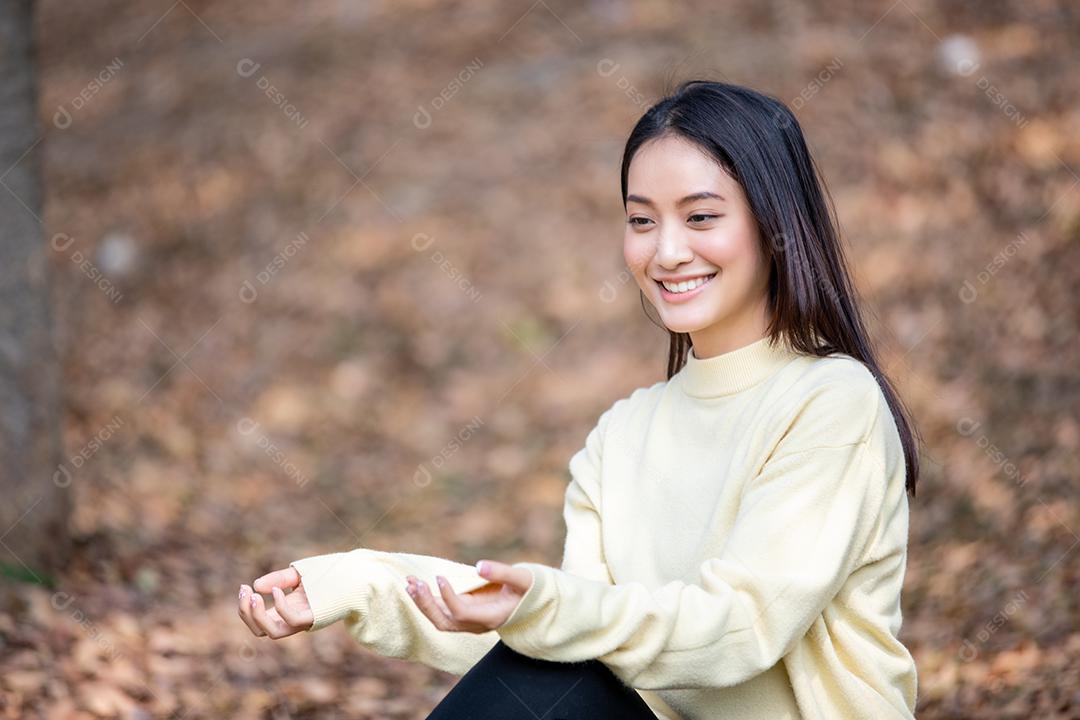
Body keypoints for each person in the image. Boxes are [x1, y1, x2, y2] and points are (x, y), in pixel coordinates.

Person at [237, 79, 922, 719]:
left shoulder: (832, 403)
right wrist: (354, 586)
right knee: (552, 673)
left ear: (776, 224)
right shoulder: (622, 437)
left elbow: (739, 630)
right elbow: (565, 654)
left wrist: (542, 609)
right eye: (642, 220)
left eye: (701, 216)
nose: (669, 251)